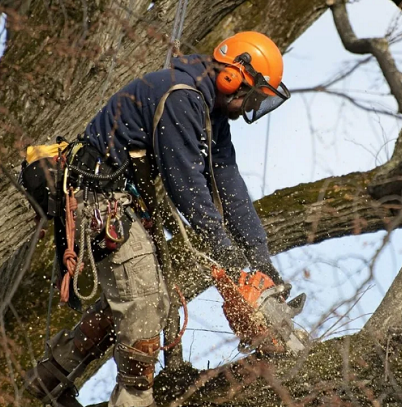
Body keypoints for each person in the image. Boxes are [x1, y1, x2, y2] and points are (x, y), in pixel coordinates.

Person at [23, 31, 292, 407]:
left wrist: (261, 262)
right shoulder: (182, 96)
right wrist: (229, 259)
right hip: (96, 199)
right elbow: (189, 190)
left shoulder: (211, 111)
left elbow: (230, 186)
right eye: (250, 94)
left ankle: (53, 374)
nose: (249, 104)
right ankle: (135, 398)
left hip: (121, 203)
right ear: (232, 74)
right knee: (144, 301)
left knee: (154, 298)